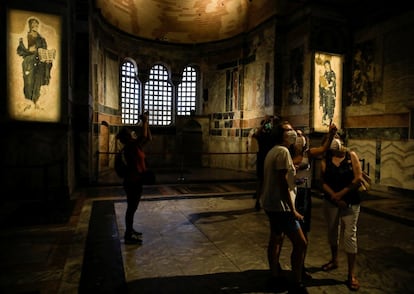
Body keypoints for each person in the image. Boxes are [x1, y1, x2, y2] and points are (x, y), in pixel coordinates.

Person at [261, 120, 307, 293]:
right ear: (281, 135)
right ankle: (296, 282)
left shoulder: (273, 150)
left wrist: (294, 179)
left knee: (276, 238)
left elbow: (282, 176)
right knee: (301, 243)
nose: (293, 132)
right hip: (281, 207)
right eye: (288, 130)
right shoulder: (282, 151)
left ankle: (274, 276)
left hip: (271, 203)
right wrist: (292, 209)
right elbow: (281, 182)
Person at [292, 124, 337, 280]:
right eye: (296, 135)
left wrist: (331, 134)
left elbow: (324, 149)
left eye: (301, 135)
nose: (299, 138)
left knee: (303, 232)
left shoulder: (308, 153)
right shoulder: (287, 154)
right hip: (293, 194)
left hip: (304, 194)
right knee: (290, 232)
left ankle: (300, 267)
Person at [320, 136, 362, 291]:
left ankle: (351, 274)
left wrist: (341, 195)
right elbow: (322, 181)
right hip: (331, 201)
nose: (334, 142)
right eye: (331, 140)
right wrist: (335, 198)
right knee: (332, 231)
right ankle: (334, 259)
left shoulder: (351, 155)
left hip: (351, 201)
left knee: (350, 235)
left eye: (336, 138)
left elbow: (358, 179)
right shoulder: (326, 158)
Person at [116, 112, 152, 244]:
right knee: (131, 208)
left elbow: (148, 138)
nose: (133, 133)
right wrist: (145, 121)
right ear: (128, 136)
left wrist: (146, 123)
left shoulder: (134, 146)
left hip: (135, 181)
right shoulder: (131, 146)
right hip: (132, 182)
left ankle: (130, 230)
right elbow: (143, 136)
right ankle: (128, 235)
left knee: (132, 208)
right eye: (131, 133)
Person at [17, 18, 54, 109]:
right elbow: (20, 50)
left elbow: (44, 50)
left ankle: (36, 102)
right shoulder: (24, 37)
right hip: (29, 63)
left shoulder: (41, 39)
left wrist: (47, 57)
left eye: (36, 25)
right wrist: (28, 50)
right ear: (29, 25)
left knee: (37, 83)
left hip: (39, 64)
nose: (35, 26)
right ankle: (28, 102)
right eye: (33, 24)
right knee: (28, 83)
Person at [252, 115, 279, 211]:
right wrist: (265, 123)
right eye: (266, 125)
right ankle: (258, 201)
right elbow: (256, 134)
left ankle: (267, 201)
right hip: (262, 158)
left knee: (269, 180)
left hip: (269, 158)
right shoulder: (261, 136)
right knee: (260, 180)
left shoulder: (271, 135)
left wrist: (274, 122)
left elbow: (277, 131)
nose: (268, 126)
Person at [319, 60, 336, 126]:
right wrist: (322, 83)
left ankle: (329, 120)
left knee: (329, 106)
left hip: (330, 93)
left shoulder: (332, 73)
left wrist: (326, 85)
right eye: (325, 66)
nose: (326, 67)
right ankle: (325, 120)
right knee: (325, 107)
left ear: (329, 65)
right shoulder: (325, 74)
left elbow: (332, 83)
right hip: (325, 93)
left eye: (327, 65)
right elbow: (322, 83)